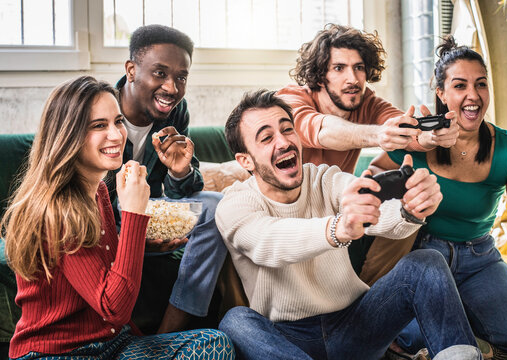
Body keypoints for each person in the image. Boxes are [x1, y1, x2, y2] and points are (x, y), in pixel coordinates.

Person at [215, 89, 481, 359]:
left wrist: (411, 209)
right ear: (245, 160)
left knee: (426, 263)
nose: (283, 142)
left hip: (356, 325)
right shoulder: (234, 205)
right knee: (235, 321)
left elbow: (377, 210)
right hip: (287, 340)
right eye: (267, 138)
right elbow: (269, 242)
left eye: (287, 130)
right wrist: (339, 228)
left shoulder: (324, 179)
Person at [0, 76, 234, 359]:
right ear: (67, 134)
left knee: (214, 343)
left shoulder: (97, 189)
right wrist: (134, 211)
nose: (116, 134)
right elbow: (114, 307)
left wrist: (140, 244)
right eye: (99, 125)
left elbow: (102, 265)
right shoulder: (58, 208)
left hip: (113, 345)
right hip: (60, 353)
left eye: (118, 121)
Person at [370, 36, 507, 359]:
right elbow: (371, 182)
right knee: (409, 338)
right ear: (441, 93)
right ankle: (464, 315)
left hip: (480, 258)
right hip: (423, 256)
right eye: (460, 86)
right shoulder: (416, 138)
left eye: (481, 84)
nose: (473, 96)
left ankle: (471, 308)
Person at [276, 23, 460, 284]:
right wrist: (377, 135)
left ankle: (369, 294)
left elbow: (404, 127)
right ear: (319, 76)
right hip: (291, 216)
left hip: (340, 210)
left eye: (359, 67)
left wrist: (431, 137)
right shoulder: (291, 99)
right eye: (339, 68)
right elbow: (322, 131)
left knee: (410, 211)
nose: (352, 79)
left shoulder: (367, 101)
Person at [110, 24, 228, 333]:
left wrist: (179, 170)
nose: (172, 88)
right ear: (132, 70)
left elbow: (182, 194)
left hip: (151, 213)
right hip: (108, 218)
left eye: (181, 77)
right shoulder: (99, 107)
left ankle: (170, 331)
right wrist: (134, 223)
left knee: (218, 208)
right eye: (160, 73)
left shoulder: (177, 111)